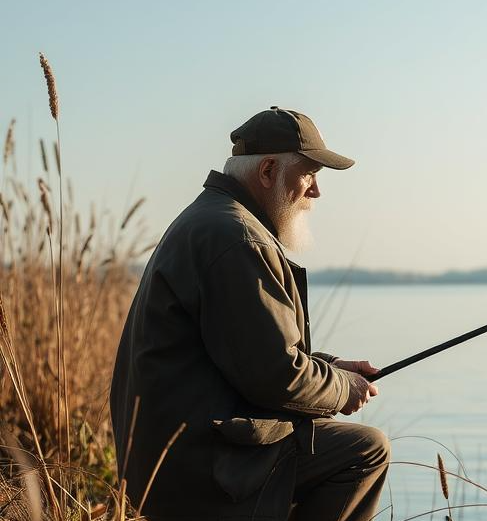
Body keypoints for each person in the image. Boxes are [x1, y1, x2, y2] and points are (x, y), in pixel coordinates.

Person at [110, 107, 389, 521]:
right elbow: (277, 376)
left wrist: (329, 367)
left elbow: (247, 353)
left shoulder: (214, 219)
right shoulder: (237, 238)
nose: (315, 193)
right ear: (268, 171)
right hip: (200, 471)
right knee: (366, 451)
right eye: (309, 174)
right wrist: (340, 389)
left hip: (179, 455)